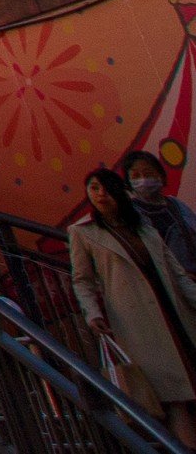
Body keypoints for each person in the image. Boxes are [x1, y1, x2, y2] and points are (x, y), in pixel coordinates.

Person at [76, 167, 196, 444]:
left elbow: (175, 270)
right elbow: (82, 279)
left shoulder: (143, 227)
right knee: (172, 395)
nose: (100, 194)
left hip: (172, 308)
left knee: (186, 380)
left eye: (105, 187)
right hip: (136, 318)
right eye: (93, 188)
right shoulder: (84, 232)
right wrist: (92, 313)